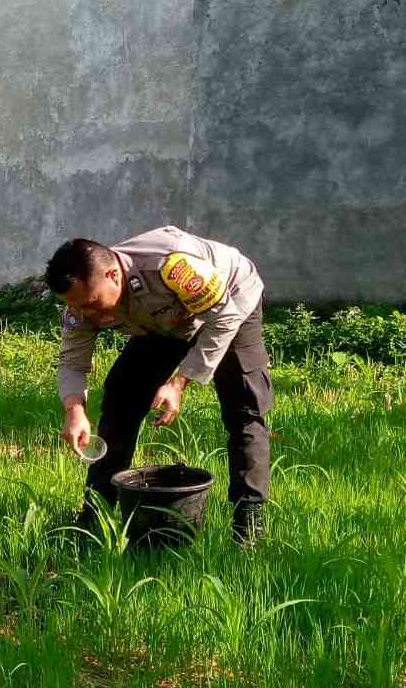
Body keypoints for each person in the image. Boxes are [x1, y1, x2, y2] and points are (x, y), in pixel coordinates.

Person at [46, 225, 272, 547]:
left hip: (230, 304)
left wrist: (180, 381)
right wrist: (74, 410)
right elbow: (72, 360)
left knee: (244, 409)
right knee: (122, 397)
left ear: (113, 275)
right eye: (77, 307)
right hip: (166, 323)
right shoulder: (81, 302)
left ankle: (248, 522)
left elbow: (221, 317)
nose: (85, 314)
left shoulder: (170, 265)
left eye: (92, 304)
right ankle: (96, 512)